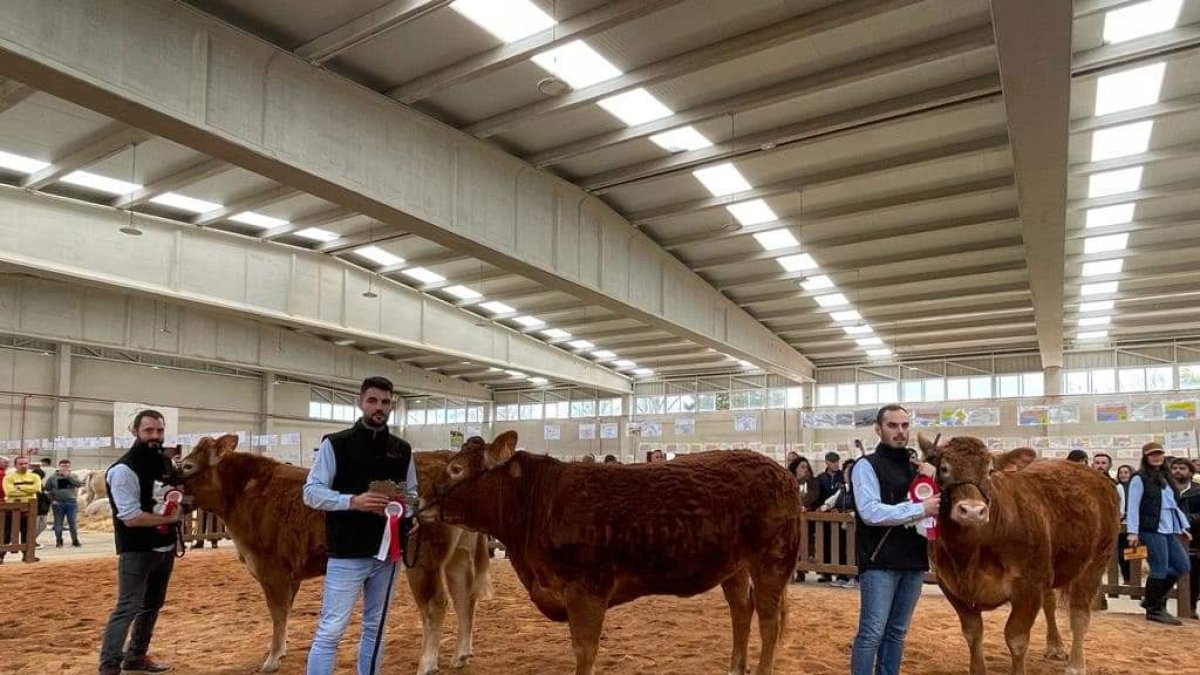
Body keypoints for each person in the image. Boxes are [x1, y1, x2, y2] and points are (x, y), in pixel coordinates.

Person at [303, 376, 419, 675]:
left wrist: (408, 513)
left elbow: (412, 494)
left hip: (388, 555)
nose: (379, 407)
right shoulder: (335, 443)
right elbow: (312, 492)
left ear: (392, 405)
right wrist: (351, 501)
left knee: (375, 628)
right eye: (373, 400)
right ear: (360, 402)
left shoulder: (402, 449)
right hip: (347, 552)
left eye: (385, 402)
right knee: (330, 630)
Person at [850, 405, 939, 675]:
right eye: (892, 426)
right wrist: (920, 509)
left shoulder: (917, 469)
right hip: (879, 562)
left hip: (912, 561)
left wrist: (931, 477)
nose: (900, 432)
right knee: (872, 632)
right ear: (878, 429)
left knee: (897, 632)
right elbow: (870, 512)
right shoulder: (865, 466)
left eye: (904, 425)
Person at [99, 409, 181, 675]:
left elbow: (171, 493)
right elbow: (131, 518)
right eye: (148, 431)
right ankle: (109, 666)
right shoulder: (123, 470)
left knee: (152, 605)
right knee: (127, 607)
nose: (155, 436)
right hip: (137, 550)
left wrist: (177, 497)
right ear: (134, 432)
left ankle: (135, 657)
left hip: (165, 547)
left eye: (159, 430)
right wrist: (170, 519)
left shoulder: (164, 462)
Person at [1127, 442, 1192, 625]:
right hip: (1151, 529)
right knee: (1159, 568)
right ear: (1146, 457)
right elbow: (1132, 506)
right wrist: (1133, 531)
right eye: (1152, 454)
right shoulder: (1139, 478)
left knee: (1182, 565)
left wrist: (1181, 527)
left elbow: (1171, 505)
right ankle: (1155, 609)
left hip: (1169, 528)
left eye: (1159, 454)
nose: (1156, 457)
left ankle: (1151, 600)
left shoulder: (1165, 477)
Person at [1171, 458, 1199, 618]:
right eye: (1174, 467)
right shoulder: (1165, 489)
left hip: (1194, 537)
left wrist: (1188, 519)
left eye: (1182, 468)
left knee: (1193, 574)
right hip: (1168, 534)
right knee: (1163, 569)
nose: (1177, 471)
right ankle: (1156, 604)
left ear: (1190, 471)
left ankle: (1191, 607)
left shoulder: (1198, 490)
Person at [2, 455, 42, 560]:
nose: (23, 466)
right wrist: (28, 490)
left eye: (25, 463)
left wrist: (19, 487)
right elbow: (10, 492)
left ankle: (27, 555)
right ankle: (1, 555)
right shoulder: (9, 477)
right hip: (11, 509)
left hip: (28, 509)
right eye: (20, 464)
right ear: (15, 465)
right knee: (6, 533)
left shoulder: (35, 476)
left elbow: (37, 489)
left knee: (28, 533)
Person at [816, 451, 844, 583]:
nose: (835, 464)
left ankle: (841, 572)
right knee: (825, 543)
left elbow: (842, 495)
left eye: (837, 461)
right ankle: (825, 572)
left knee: (842, 543)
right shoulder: (820, 478)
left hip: (840, 515)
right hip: (825, 517)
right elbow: (817, 496)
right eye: (832, 461)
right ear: (826, 462)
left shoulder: (843, 476)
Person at [45, 458, 84, 548]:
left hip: (71, 502)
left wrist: (68, 476)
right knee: (58, 523)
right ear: (59, 467)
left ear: (69, 467)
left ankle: (75, 540)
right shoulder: (53, 477)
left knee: (72, 523)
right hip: (58, 503)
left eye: (67, 466)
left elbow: (78, 484)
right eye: (63, 466)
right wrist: (52, 500)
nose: (65, 468)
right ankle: (59, 541)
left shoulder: (73, 476)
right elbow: (47, 490)